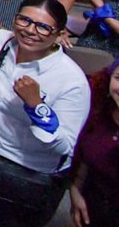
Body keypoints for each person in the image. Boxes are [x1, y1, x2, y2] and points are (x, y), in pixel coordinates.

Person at [0, 0, 88, 227]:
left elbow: (64, 145)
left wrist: (36, 107)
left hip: (25, 168)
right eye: (25, 20)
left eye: (43, 26)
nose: (30, 30)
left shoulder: (71, 80)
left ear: (59, 34)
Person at [67, 61, 119, 227]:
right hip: (92, 210)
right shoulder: (98, 112)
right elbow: (84, 156)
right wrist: (75, 190)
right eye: (118, 78)